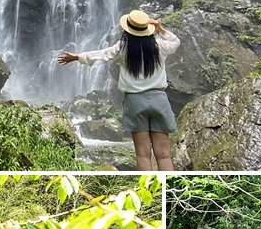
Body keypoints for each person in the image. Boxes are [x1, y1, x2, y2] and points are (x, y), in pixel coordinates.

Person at [58, 9, 181, 171]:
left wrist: (76, 57)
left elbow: (102, 54)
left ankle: (150, 191)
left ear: (128, 30)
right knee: (164, 154)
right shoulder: (160, 46)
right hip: (159, 100)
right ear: (147, 29)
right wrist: (160, 28)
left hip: (135, 102)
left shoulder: (123, 48)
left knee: (143, 154)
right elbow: (176, 41)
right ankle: (166, 192)